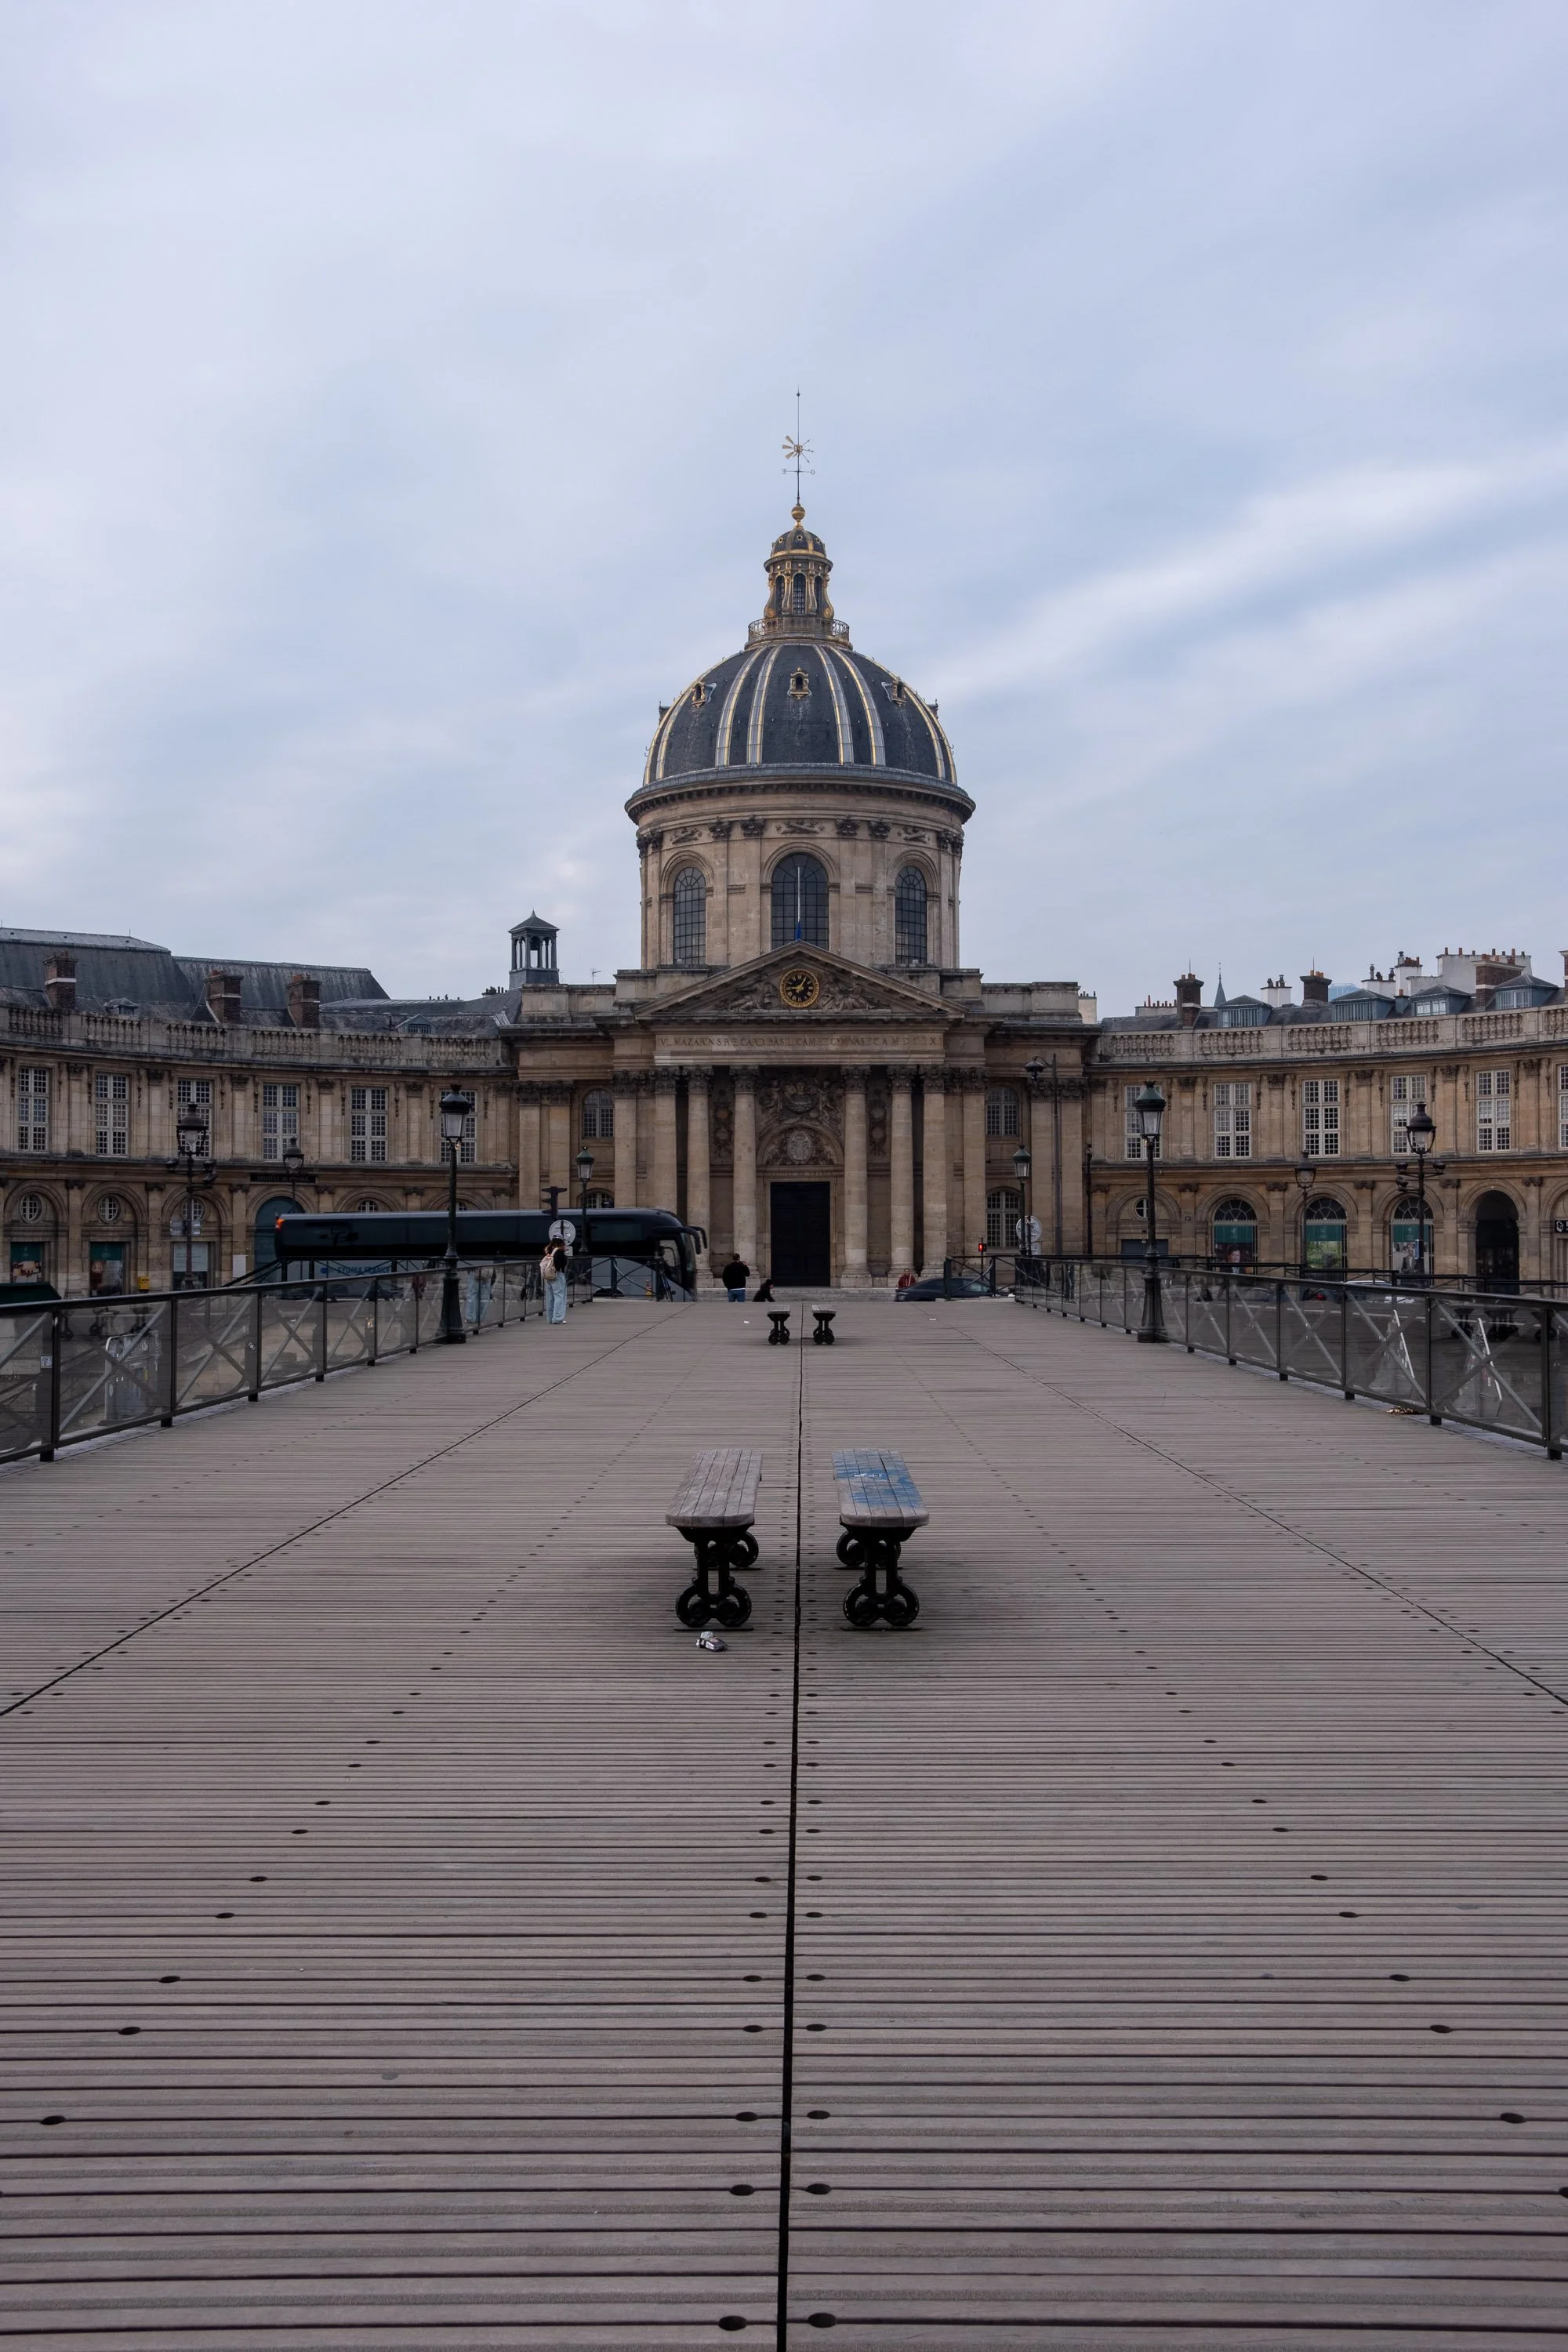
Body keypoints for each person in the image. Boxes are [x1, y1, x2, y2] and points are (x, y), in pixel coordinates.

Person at [541, 1239, 569, 1325]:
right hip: (557, 1275)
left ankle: (550, 1319)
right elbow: (562, 1264)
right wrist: (565, 1256)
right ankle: (557, 1318)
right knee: (559, 1296)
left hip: (548, 1276)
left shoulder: (547, 1249)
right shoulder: (559, 1251)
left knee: (550, 1298)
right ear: (561, 1243)